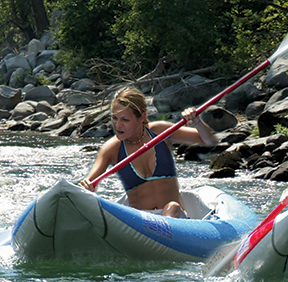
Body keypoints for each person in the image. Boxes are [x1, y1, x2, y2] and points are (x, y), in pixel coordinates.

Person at [78, 86, 219, 218]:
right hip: (141, 223)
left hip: (175, 219)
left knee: (172, 207)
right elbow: (89, 183)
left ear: (142, 117)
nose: (118, 125)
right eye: (115, 118)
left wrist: (197, 122)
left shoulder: (160, 132)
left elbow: (209, 140)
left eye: (125, 119)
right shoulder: (111, 148)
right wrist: (86, 187)